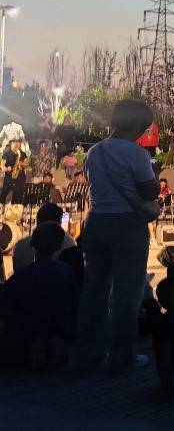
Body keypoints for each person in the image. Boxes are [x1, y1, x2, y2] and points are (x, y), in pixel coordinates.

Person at [73, 98, 161, 372]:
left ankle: (89, 351)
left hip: (96, 223)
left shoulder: (93, 153)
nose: (143, 133)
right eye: (143, 128)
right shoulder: (136, 153)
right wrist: (155, 180)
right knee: (126, 293)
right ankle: (122, 355)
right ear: (134, 124)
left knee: (94, 290)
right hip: (127, 225)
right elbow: (150, 191)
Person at [0, 224, 79, 369]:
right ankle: (52, 343)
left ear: (33, 244)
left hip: (25, 328)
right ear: (58, 246)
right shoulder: (65, 272)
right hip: (57, 325)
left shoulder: (21, 276)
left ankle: (35, 346)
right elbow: (73, 303)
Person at [11, 203, 76, 272]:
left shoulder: (20, 246)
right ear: (60, 221)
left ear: (38, 221)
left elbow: (16, 271)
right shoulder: (70, 244)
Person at [0, 139, 28, 205]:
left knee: (17, 197)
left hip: (20, 178)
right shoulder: (7, 154)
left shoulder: (22, 154)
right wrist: (6, 168)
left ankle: (14, 209)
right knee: (3, 195)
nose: (17, 144)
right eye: (15, 142)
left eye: (19, 143)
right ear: (11, 144)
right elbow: (2, 164)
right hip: (9, 177)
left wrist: (21, 163)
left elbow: (26, 164)